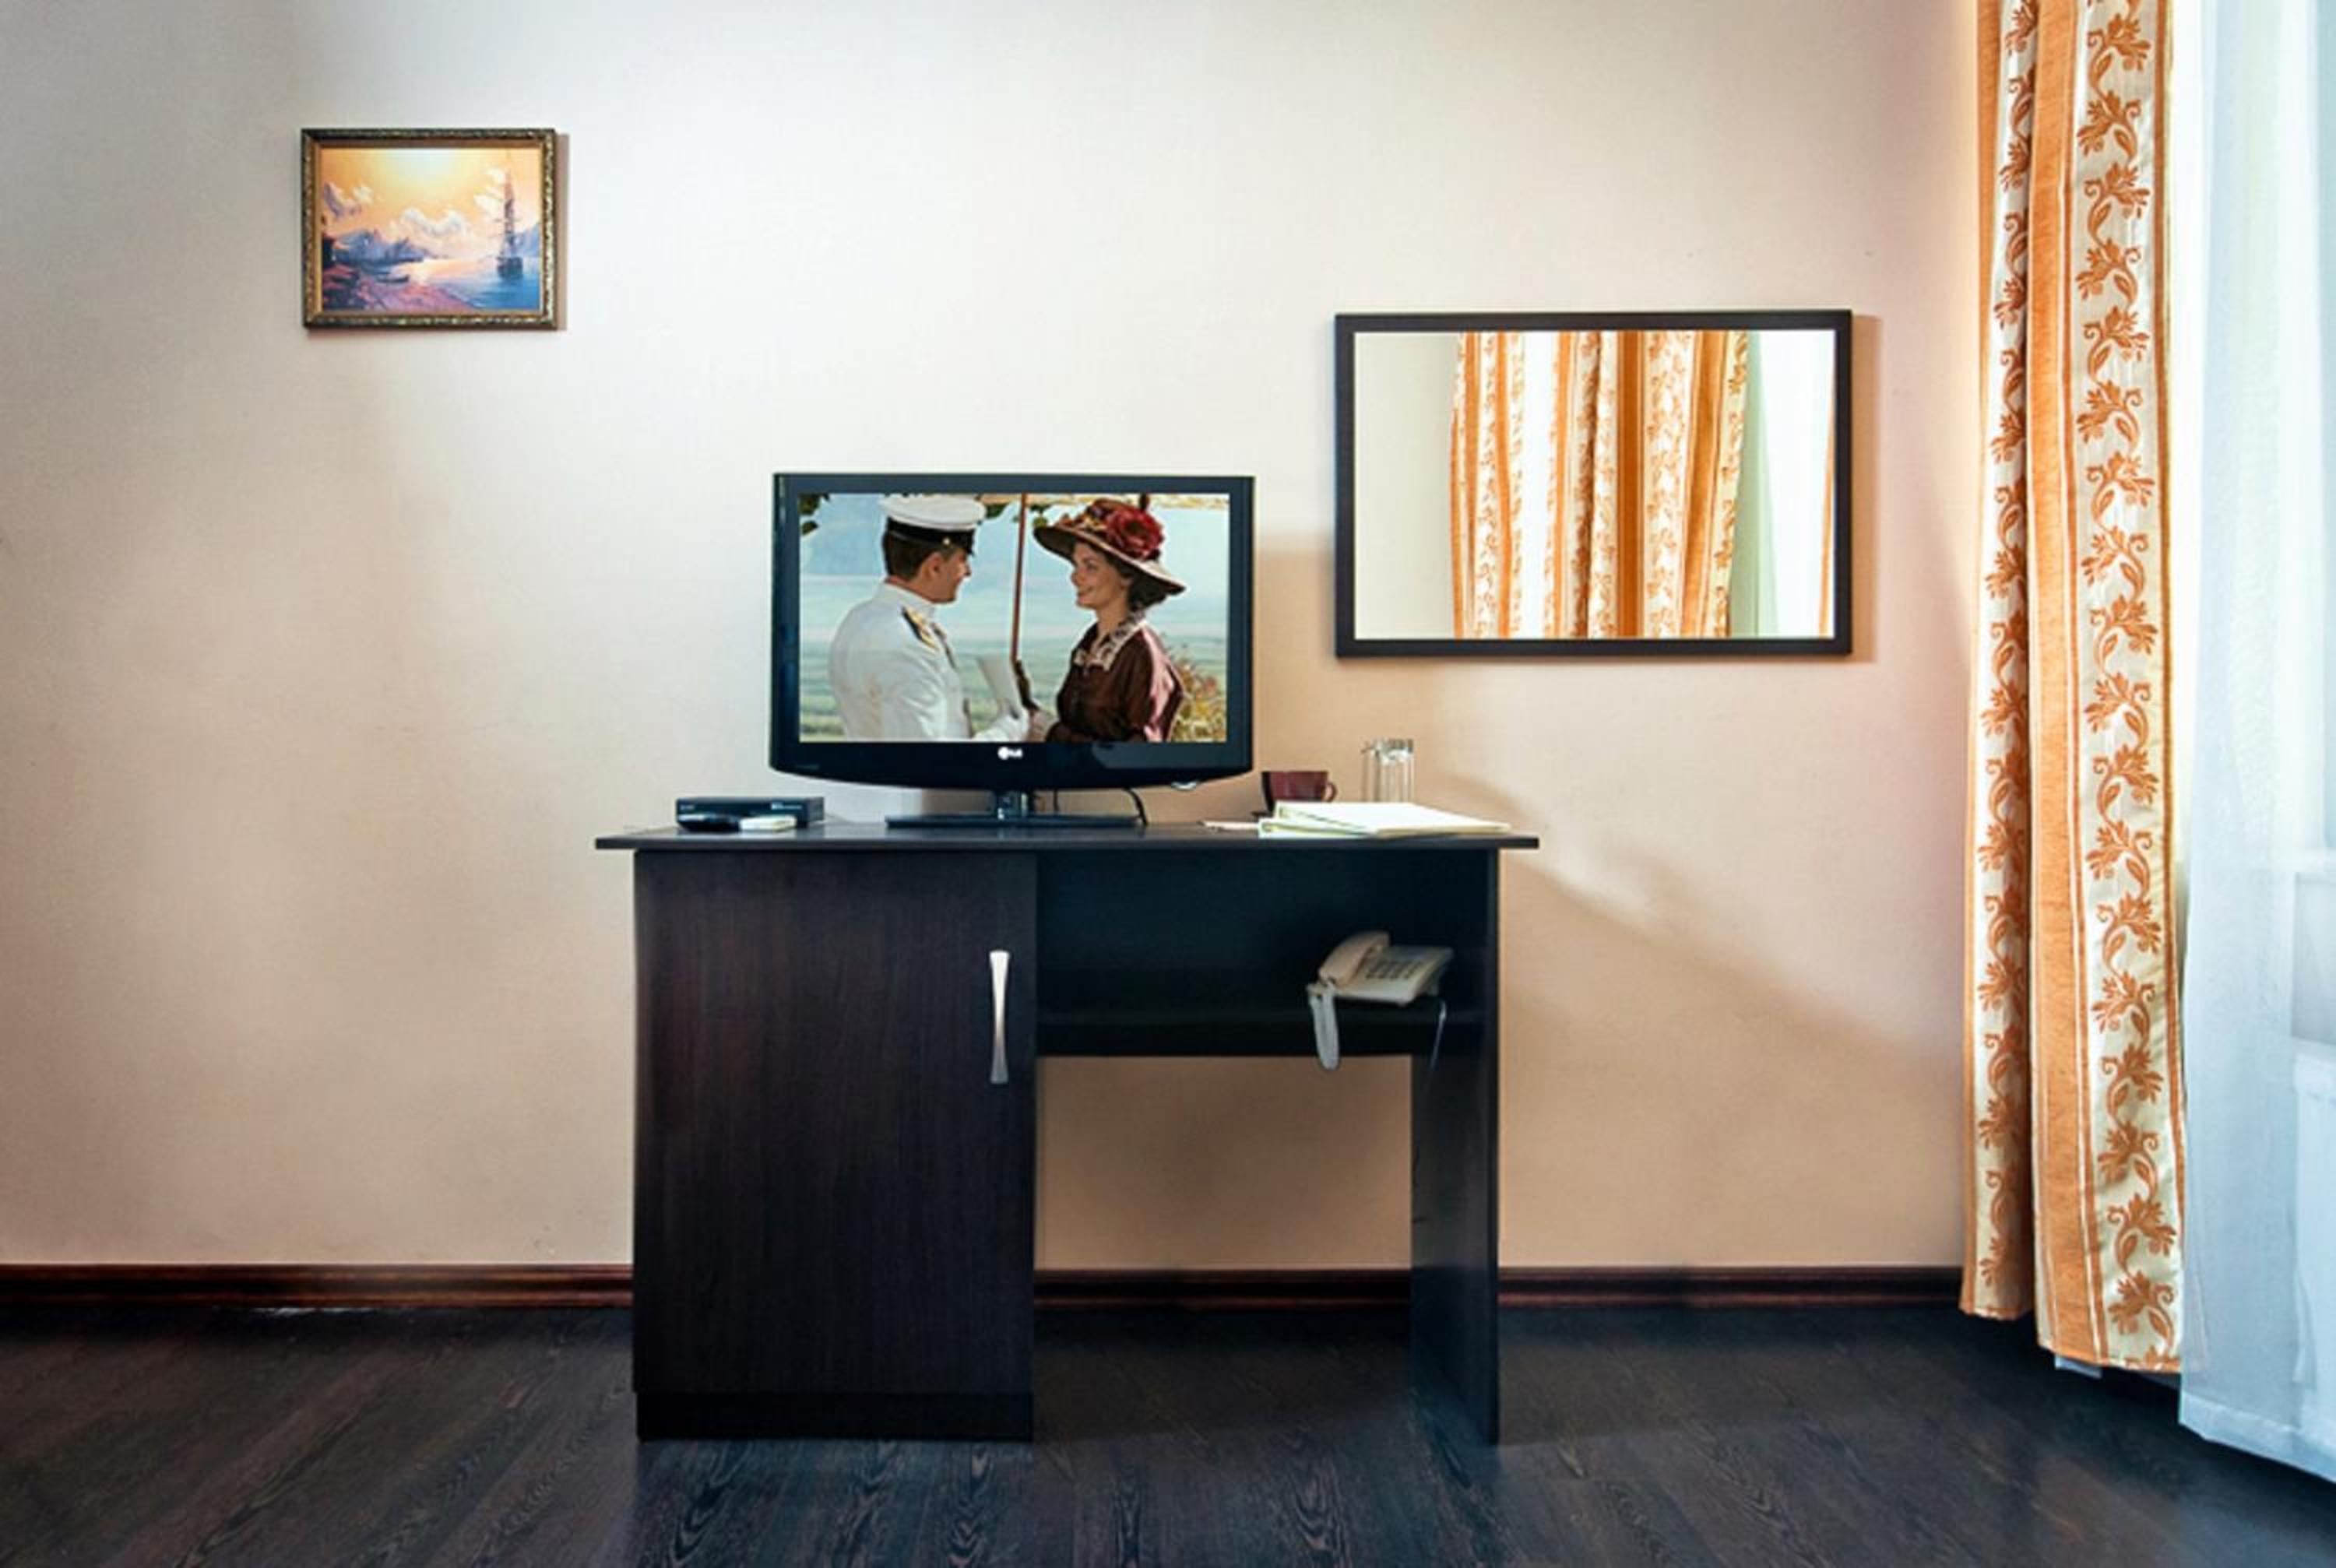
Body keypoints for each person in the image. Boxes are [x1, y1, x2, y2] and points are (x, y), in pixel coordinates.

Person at [828, 494, 1028, 741]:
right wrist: (1007, 730)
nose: (967, 572)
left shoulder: (860, 617)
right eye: (963, 560)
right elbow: (928, 757)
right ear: (934, 566)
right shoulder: (906, 642)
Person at [1025, 498, 1186, 743]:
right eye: (1076, 565)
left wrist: (1051, 733)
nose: (1074, 577)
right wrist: (1025, 705)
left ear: (1126, 576)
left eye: (1090, 567)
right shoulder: (1089, 645)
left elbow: (1139, 756)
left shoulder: (1142, 654)